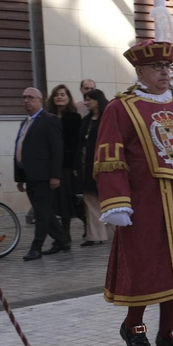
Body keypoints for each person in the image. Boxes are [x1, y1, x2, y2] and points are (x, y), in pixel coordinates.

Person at [94, 40, 173, 346]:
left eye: (168, 67)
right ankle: (134, 325)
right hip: (145, 202)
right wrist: (116, 200)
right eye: (157, 67)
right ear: (140, 71)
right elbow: (109, 155)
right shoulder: (120, 107)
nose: (165, 72)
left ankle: (168, 331)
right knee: (146, 266)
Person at [13, 86, 71, 260]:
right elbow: (20, 147)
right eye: (24, 97)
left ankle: (36, 247)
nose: (26, 101)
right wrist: (20, 177)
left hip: (44, 175)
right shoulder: (25, 122)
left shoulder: (49, 120)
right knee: (44, 211)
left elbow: (56, 149)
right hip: (29, 175)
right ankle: (62, 240)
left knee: (41, 213)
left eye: (30, 97)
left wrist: (55, 175)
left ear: (40, 100)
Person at [47, 84, 83, 240]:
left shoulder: (74, 117)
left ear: (68, 99)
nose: (59, 97)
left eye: (62, 94)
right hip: (51, 163)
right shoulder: (48, 117)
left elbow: (76, 143)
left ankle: (66, 232)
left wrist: (75, 164)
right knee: (56, 200)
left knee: (66, 199)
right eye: (56, 95)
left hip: (67, 163)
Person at [76, 90, 109, 247]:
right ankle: (95, 235)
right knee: (90, 200)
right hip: (86, 165)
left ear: (97, 101)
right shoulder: (87, 120)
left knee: (107, 200)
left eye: (88, 100)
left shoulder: (106, 118)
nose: (86, 103)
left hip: (103, 165)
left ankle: (120, 232)